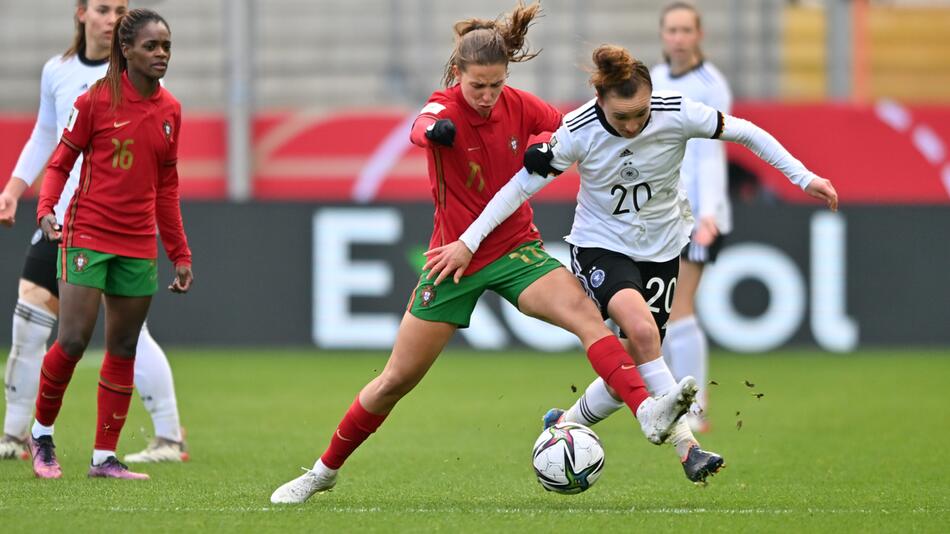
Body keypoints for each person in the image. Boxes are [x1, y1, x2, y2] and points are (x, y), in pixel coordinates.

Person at [270, 1, 696, 504]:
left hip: (517, 250)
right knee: (394, 380)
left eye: (496, 84)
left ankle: (646, 410)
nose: (489, 96)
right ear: (457, 74)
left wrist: (548, 141)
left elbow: (570, 128)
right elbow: (419, 126)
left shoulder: (517, 103)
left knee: (590, 320)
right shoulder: (442, 107)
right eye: (478, 86)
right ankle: (322, 472)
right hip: (454, 260)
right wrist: (436, 132)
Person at [425, 44, 838, 483]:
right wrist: (468, 242)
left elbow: (747, 133)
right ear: (600, 102)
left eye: (640, 113)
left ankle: (565, 423)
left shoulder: (676, 111)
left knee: (635, 359)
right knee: (641, 333)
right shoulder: (578, 130)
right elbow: (516, 189)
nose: (633, 124)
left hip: (662, 248)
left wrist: (804, 177)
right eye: (622, 117)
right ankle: (688, 448)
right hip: (601, 246)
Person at [0, 0, 188, 465]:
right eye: (105, 8)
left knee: (128, 340)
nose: (112, 17)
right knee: (55, 333)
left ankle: (150, 439)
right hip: (72, 225)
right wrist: (23, 193)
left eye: (121, 9)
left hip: (134, 239)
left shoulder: (165, 104)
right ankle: (23, 435)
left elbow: (166, 184)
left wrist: (179, 252)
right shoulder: (67, 78)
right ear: (82, 13)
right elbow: (49, 140)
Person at [651, 1, 733, 432]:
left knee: (679, 308)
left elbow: (711, 154)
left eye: (686, 30)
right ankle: (669, 400)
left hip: (697, 214)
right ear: (662, 35)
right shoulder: (655, 78)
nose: (679, 38)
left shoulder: (710, 84)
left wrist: (709, 213)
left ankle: (696, 407)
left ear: (699, 35)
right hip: (661, 213)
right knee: (656, 315)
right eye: (672, 30)